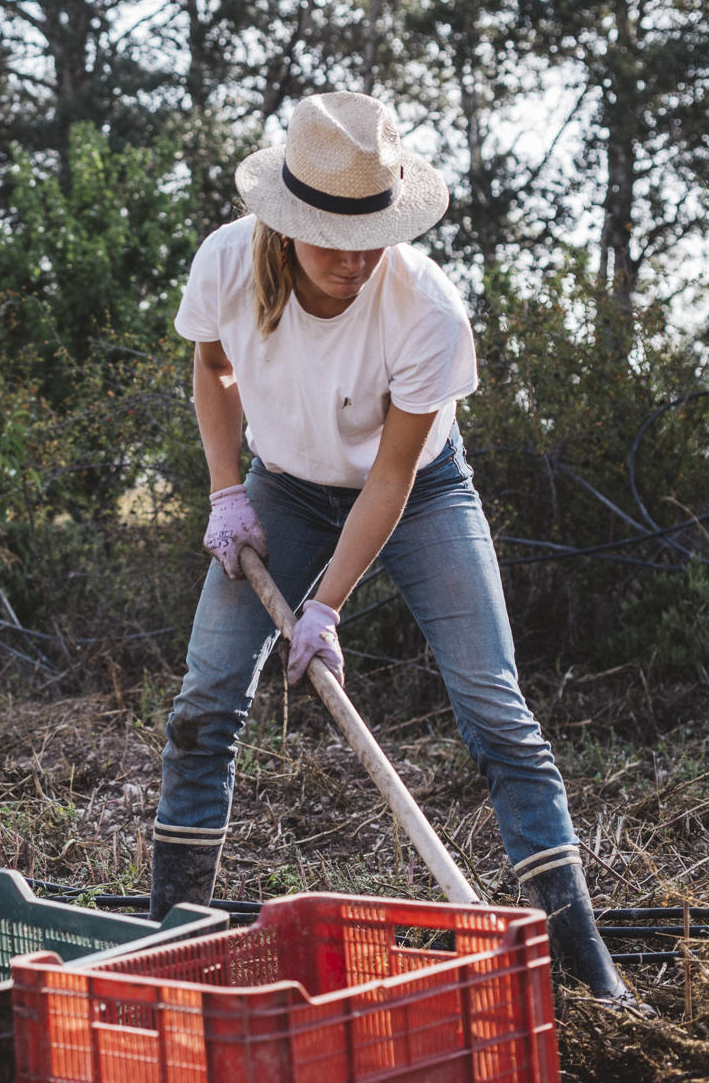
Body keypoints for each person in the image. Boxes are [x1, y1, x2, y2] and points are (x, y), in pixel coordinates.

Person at [147, 91, 631, 1001]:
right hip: (281, 487)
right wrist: (224, 490)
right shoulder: (226, 261)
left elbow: (395, 473)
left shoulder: (426, 308)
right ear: (284, 225)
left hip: (418, 495)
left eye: (371, 234)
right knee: (205, 696)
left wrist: (326, 602)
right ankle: (171, 940)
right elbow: (211, 367)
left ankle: (587, 970)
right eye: (332, 237)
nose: (355, 260)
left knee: (495, 708)